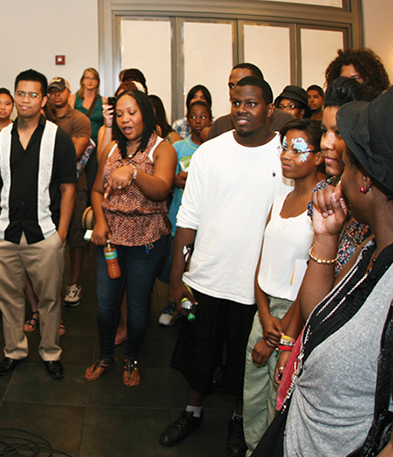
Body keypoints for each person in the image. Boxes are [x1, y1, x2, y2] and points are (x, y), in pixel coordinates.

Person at [255, 87, 393, 457]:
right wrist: (327, 238)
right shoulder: (370, 249)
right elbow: (321, 314)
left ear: (365, 178)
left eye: (347, 162)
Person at [159, 76, 292, 456]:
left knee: (241, 364)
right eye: (236, 102)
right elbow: (188, 219)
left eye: (251, 103)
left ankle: (238, 420)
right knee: (197, 354)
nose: (241, 110)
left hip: (254, 286)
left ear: (269, 109)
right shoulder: (210, 153)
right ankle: (192, 411)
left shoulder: (282, 158)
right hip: (205, 277)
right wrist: (176, 277)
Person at [0, 69, 76, 380]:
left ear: (44, 100)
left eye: (33, 95)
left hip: (45, 234)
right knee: (8, 299)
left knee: (49, 300)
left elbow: (68, 188)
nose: (26, 100)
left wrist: (61, 234)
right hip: (4, 233)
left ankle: (50, 352)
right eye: (21, 93)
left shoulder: (58, 139)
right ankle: (14, 351)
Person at [242, 119, 324, 455]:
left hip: (297, 314)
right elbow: (262, 262)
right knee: (251, 394)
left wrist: (279, 334)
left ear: (319, 157)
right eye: (284, 147)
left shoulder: (325, 208)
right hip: (265, 312)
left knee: (282, 397)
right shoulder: (279, 202)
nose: (286, 155)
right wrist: (263, 316)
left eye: (298, 149)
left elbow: (315, 274)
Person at [85, 89, 177, 387]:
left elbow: (162, 189)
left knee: (138, 305)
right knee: (104, 303)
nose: (126, 119)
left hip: (147, 238)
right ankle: (106, 355)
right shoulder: (111, 149)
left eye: (132, 112)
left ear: (146, 114)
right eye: (121, 113)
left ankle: (132, 359)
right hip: (110, 236)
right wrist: (100, 222)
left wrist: (133, 172)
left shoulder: (162, 148)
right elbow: (97, 190)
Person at [158, 100, 212, 326]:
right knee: (175, 264)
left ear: (210, 119)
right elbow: (172, 179)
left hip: (206, 222)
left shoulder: (212, 149)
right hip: (178, 217)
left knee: (198, 268)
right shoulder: (178, 148)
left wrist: (186, 180)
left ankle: (196, 307)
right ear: (186, 120)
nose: (198, 121)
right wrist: (186, 180)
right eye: (193, 117)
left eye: (203, 117)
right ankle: (173, 303)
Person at [46, 77, 92, 310]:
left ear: (68, 92)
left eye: (60, 91)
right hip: (46, 188)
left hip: (75, 186)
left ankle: (74, 284)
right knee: (47, 238)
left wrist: (45, 151)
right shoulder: (44, 117)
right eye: (52, 92)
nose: (56, 95)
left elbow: (74, 153)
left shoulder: (79, 119)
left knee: (75, 238)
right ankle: (50, 285)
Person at [206, 63, 294, 140]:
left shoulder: (285, 121)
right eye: (232, 86)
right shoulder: (220, 125)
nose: (236, 89)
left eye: (244, 83)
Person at [70, 68, 107, 194]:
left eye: (93, 78)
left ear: (97, 82)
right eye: (87, 78)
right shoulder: (74, 99)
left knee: (93, 179)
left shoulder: (103, 101)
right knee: (76, 180)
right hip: (79, 144)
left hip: (96, 145)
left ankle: (91, 208)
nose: (90, 81)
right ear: (82, 81)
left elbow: (106, 125)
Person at [324, 47, 391, 96]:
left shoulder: (382, 107)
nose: (348, 83)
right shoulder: (334, 110)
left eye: (355, 78)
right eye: (343, 79)